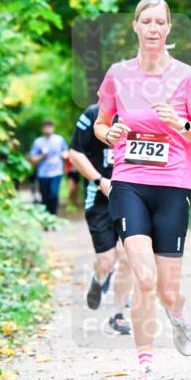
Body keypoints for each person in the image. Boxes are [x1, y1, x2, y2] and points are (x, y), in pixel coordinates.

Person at [93, 0, 191, 380]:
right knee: (143, 279)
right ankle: (145, 367)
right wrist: (108, 134)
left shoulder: (187, 77)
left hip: (173, 185)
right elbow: (101, 123)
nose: (152, 28)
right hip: (129, 181)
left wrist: (180, 122)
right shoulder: (117, 74)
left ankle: (178, 317)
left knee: (167, 288)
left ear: (168, 28)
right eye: (145, 21)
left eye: (159, 22)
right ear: (135, 26)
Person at [69, 103, 133, 334]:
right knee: (107, 261)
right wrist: (99, 181)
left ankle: (118, 315)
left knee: (128, 256)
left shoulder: (142, 112)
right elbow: (74, 154)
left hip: (131, 196)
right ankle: (99, 279)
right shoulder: (94, 113)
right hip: (99, 198)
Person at [29, 120, 68, 217]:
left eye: (50, 126)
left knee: (54, 194)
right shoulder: (38, 142)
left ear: (53, 128)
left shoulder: (59, 140)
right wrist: (42, 156)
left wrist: (65, 156)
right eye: (46, 127)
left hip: (56, 172)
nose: (48, 129)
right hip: (43, 173)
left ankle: (53, 216)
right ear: (42, 129)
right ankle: (46, 218)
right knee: (44, 196)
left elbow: (66, 152)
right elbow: (33, 159)